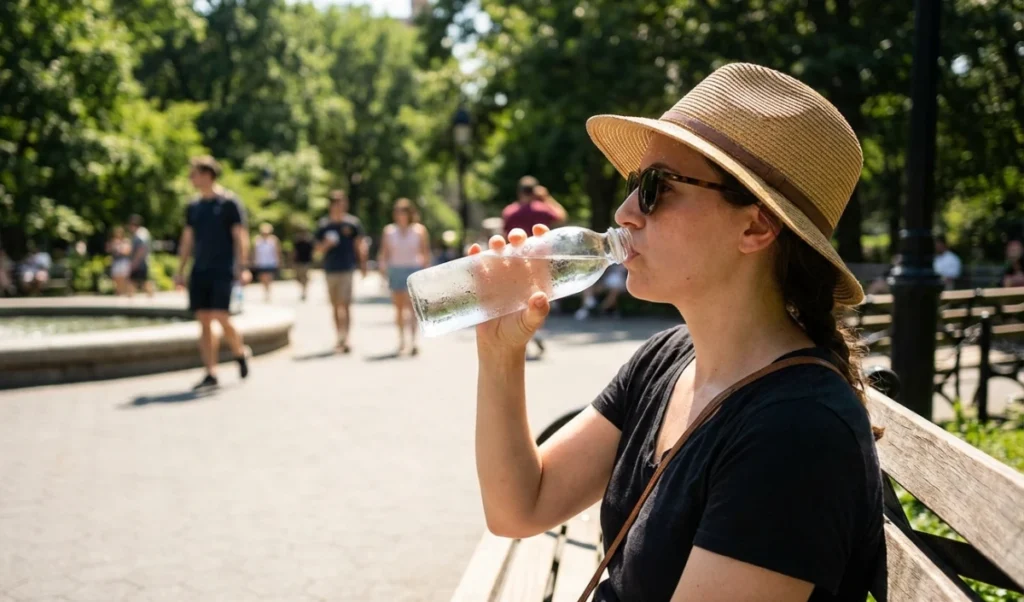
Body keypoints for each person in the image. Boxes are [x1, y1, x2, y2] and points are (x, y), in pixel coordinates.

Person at [469, 63, 884, 602]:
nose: (624, 213)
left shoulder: (796, 433)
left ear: (756, 226)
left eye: (655, 187)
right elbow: (520, 507)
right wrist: (500, 353)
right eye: (632, 185)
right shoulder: (669, 357)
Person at [174, 155, 252, 391]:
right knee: (204, 320)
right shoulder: (194, 206)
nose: (191, 178)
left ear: (208, 175)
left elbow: (240, 236)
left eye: (194, 173)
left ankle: (239, 352)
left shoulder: (229, 203)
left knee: (220, 315)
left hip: (223, 268)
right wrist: (180, 270)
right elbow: (187, 239)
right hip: (200, 270)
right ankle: (211, 372)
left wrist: (242, 266)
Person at [501, 179, 567, 357]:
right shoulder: (542, 209)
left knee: (520, 299)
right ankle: (536, 330)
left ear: (519, 192)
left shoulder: (510, 211)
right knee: (539, 299)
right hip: (540, 261)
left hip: (517, 261)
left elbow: (504, 235)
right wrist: (547, 198)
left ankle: (527, 332)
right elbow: (561, 215)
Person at [315, 190, 367, 353]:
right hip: (330, 269)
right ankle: (339, 336)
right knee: (335, 306)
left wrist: (363, 264)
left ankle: (347, 338)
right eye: (336, 203)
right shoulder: (324, 225)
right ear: (331, 205)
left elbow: (360, 244)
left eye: (342, 202)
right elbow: (317, 249)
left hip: (347, 268)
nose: (339, 206)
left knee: (345, 304)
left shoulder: (352, 224)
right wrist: (327, 244)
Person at [378, 198, 430, 356]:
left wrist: (427, 273)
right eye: (398, 212)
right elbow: (384, 253)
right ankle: (401, 340)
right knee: (399, 308)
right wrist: (382, 269)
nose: (401, 215)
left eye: (404, 212)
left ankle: (414, 341)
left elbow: (425, 253)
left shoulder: (419, 230)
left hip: (413, 270)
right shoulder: (389, 231)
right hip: (396, 270)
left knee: (413, 309)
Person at [252, 222, 282, 302]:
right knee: (263, 278)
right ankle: (265, 291)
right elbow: (255, 252)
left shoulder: (273, 240)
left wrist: (278, 261)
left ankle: (268, 292)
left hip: (271, 262)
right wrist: (254, 260)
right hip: (261, 262)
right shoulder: (257, 240)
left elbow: (277, 251)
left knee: (269, 277)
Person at [127, 214, 154, 297]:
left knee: (140, 280)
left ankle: (149, 294)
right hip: (142, 261)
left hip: (141, 262)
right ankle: (131, 295)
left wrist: (135, 262)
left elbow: (141, 249)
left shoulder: (140, 234)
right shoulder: (142, 232)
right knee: (137, 279)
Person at [107, 226, 132, 296]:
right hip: (116, 261)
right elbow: (109, 250)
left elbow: (128, 251)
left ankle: (125, 291)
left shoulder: (126, 241)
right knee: (116, 277)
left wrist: (120, 249)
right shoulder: (113, 241)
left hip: (123, 261)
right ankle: (118, 292)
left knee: (124, 277)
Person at [292, 226, 315, 301]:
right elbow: (294, 251)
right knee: (298, 277)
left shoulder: (310, 240)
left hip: (306, 261)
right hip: (298, 261)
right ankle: (303, 287)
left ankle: (304, 291)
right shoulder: (297, 240)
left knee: (304, 276)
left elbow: (313, 250)